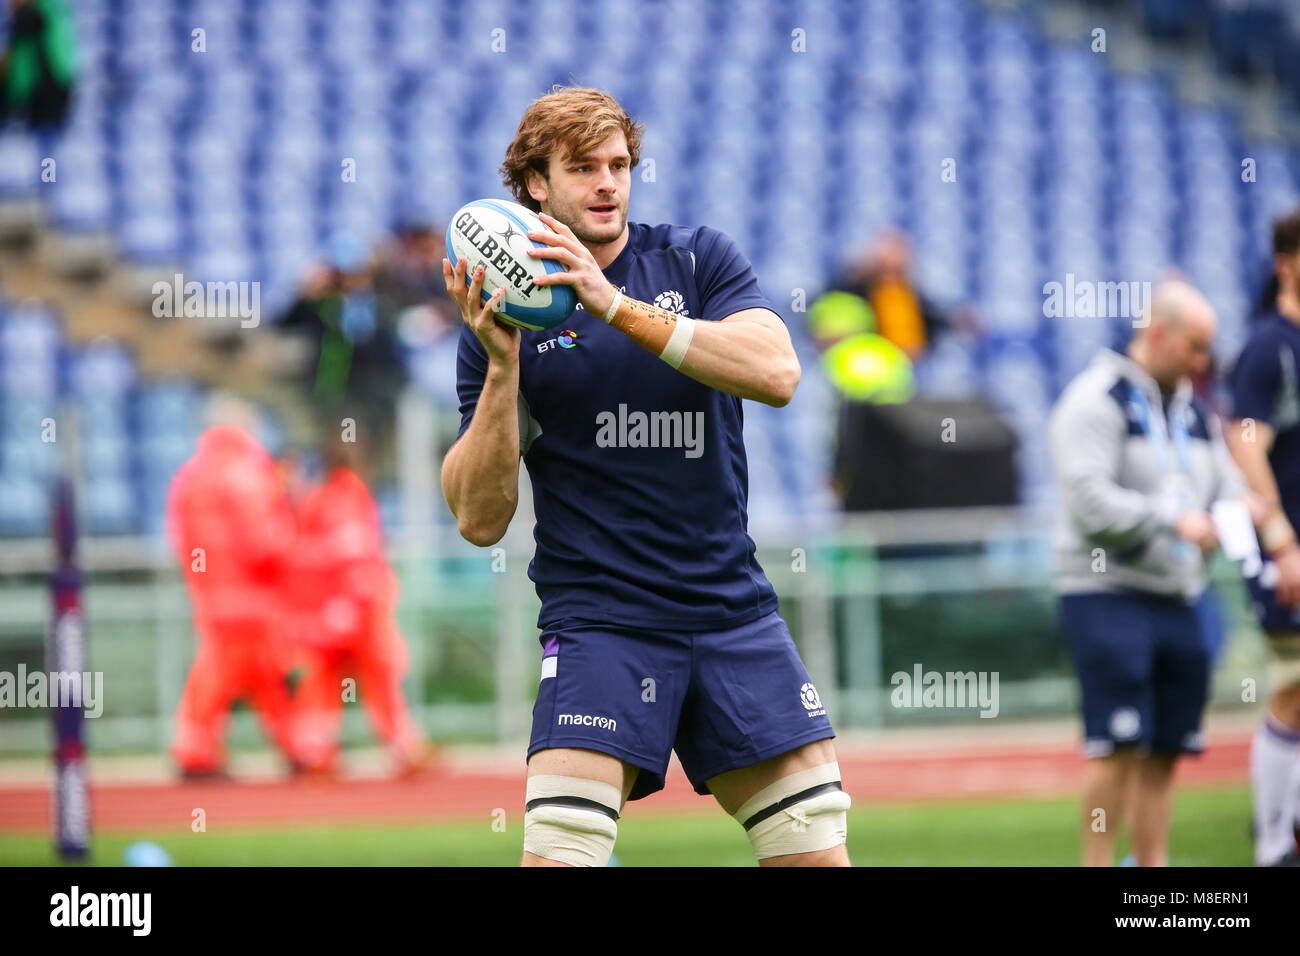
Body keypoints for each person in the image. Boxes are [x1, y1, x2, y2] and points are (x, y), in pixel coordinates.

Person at [441, 86, 850, 867]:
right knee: (562, 855)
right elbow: (478, 519)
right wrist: (501, 370)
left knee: (817, 855)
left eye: (620, 165)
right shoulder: (503, 321)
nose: (608, 183)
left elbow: (776, 372)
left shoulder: (696, 260)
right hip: (603, 622)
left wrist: (613, 304)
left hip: (731, 610)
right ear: (535, 185)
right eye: (583, 167)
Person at [1047, 278, 1263, 866]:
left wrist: (1241, 510)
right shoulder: (1095, 399)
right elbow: (1088, 502)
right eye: (1194, 347)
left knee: (1167, 746)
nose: (1202, 362)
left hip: (1179, 594)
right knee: (1115, 742)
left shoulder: (1194, 410)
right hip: (1107, 592)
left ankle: (1151, 873)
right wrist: (1172, 520)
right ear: (1159, 333)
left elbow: (1226, 484)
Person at [165, 398, 303, 777]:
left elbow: (180, 539)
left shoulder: (190, 475)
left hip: (212, 596)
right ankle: (199, 751)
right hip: (253, 599)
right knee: (258, 674)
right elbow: (264, 541)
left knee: (243, 674)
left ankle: (201, 748)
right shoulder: (247, 472)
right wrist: (293, 543)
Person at [287, 434, 435, 778]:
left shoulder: (314, 500)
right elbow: (360, 558)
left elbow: (303, 560)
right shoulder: (354, 498)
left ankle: (316, 750)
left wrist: (312, 613)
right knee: (381, 679)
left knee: (321, 681)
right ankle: (404, 748)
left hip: (325, 612)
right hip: (361, 610)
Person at [1225, 206, 1300, 867]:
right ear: (1286, 263)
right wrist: (1282, 539)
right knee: (1293, 684)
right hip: (1291, 549)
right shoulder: (1270, 345)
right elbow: (1243, 439)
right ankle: (1277, 842)